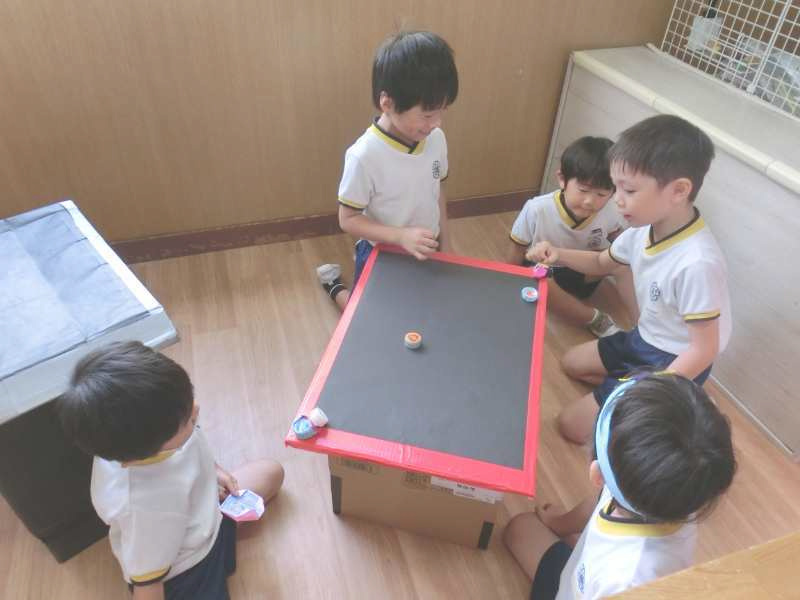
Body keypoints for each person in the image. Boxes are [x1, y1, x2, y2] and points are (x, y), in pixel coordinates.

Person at [527, 115, 731, 444]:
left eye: (629, 190)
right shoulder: (642, 230)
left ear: (679, 190)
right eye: (616, 186)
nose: (617, 199)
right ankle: (642, 392)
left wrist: (649, 390)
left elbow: (704, 349)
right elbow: (600, 262)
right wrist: (558, 253)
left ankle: (678, 397)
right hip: (644, 338)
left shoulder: (697, 263)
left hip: (670, 358)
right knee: (571, 363)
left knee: (570, 427)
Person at [57, 341, 284, 600]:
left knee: (271, 472)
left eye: (189, 405)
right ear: (145, 452)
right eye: (188, 420)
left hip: (207, 518)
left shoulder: (153, 427)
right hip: (186, 570)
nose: (196, 409)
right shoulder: (143, 509)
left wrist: (215, 471)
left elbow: (194, 446)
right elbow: (148, 585)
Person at [503, 372, 736, 599]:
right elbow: (599, 503)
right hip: (586, 575)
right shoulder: (681, 486)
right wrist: (558, 523)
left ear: (597, 474)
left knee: (520, 529)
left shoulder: (626, 580)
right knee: (519, 528)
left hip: (588, 586)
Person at [316, 30, 459, 310]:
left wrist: (446, 242)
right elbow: (348, 219)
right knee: (367, 318)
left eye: (443, 111)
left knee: (424, 312)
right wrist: (401, 237)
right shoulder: (364, 156)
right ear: (388, 103)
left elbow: (437, 190)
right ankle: (333, 286)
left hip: (424, 246)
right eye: (427, 114)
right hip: (381, 252)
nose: (437, 123)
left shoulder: (435, 139)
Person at [507, 136, 631, 337]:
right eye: (583, 190)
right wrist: (507, 284)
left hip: (580, 270)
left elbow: (617, 238)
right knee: (537, 277)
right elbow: (516, 251)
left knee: (622, 262)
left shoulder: (610, 212)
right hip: (544, 271)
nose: (590, 201)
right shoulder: (537, 209)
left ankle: (644, 324)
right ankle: (594, 318)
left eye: (601, 194)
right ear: (562, 179)